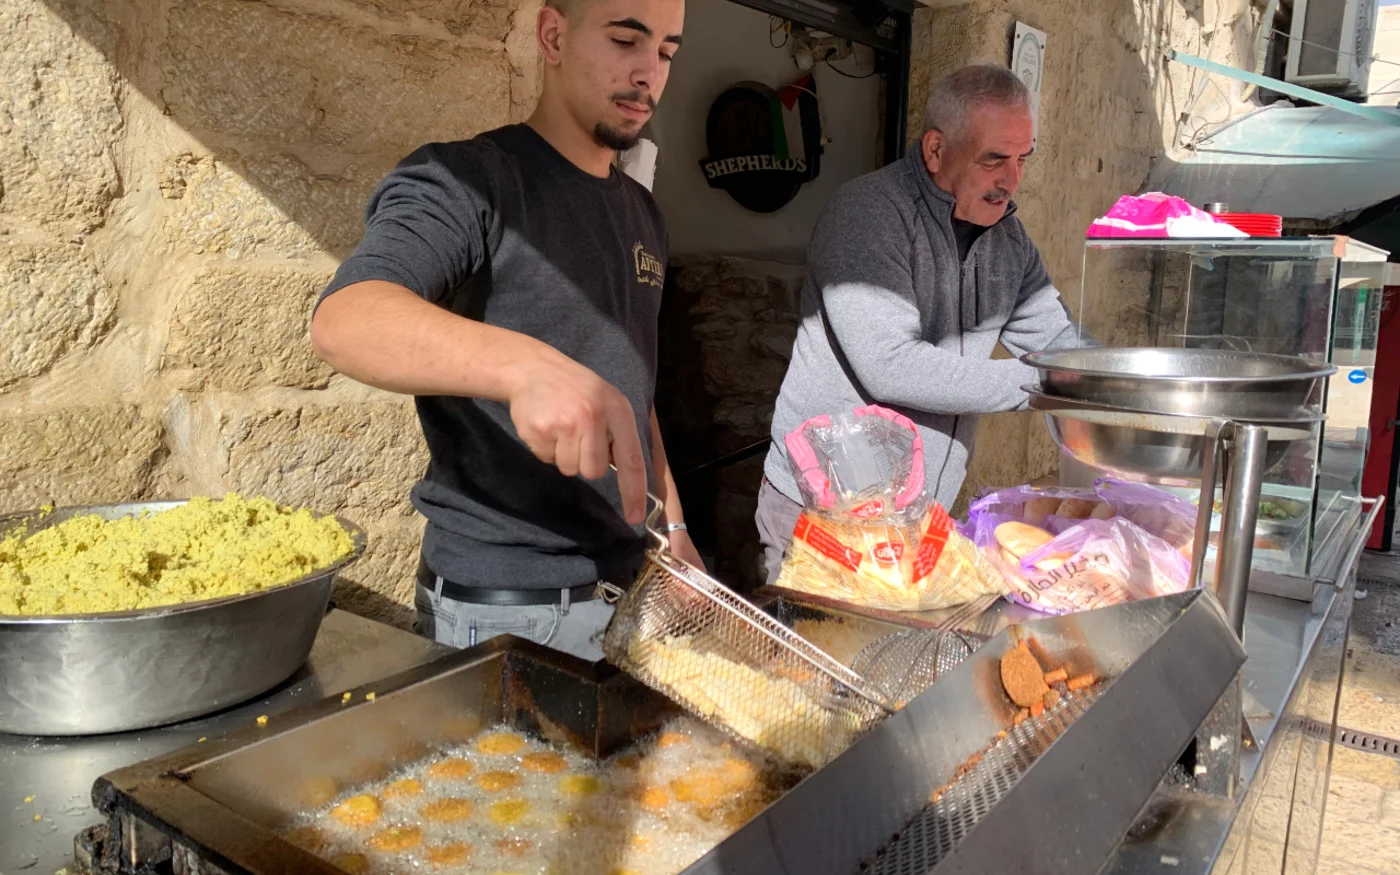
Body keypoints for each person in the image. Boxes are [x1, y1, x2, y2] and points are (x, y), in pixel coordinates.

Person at [310, 0, 698, 661]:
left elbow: (634, 381)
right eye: (626, 40)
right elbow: (345, 317)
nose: (648, 74)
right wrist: (524, 367)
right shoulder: (470, 178)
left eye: (665, 52)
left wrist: (677, 527)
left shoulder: (643, 215)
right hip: (506, 613)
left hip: (631, 587)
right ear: (552, 35)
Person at [755, 63, 1089, 584]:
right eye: (994, 159)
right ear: (936, 150)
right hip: (828, 514)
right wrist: (1050, 382)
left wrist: (1116, 375)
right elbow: (892, 365)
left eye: (1024, 158)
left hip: (917, 520)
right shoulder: (868, 214)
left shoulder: (1008, 238)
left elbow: (1059, 343)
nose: (1012, 180)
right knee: (817, 662)